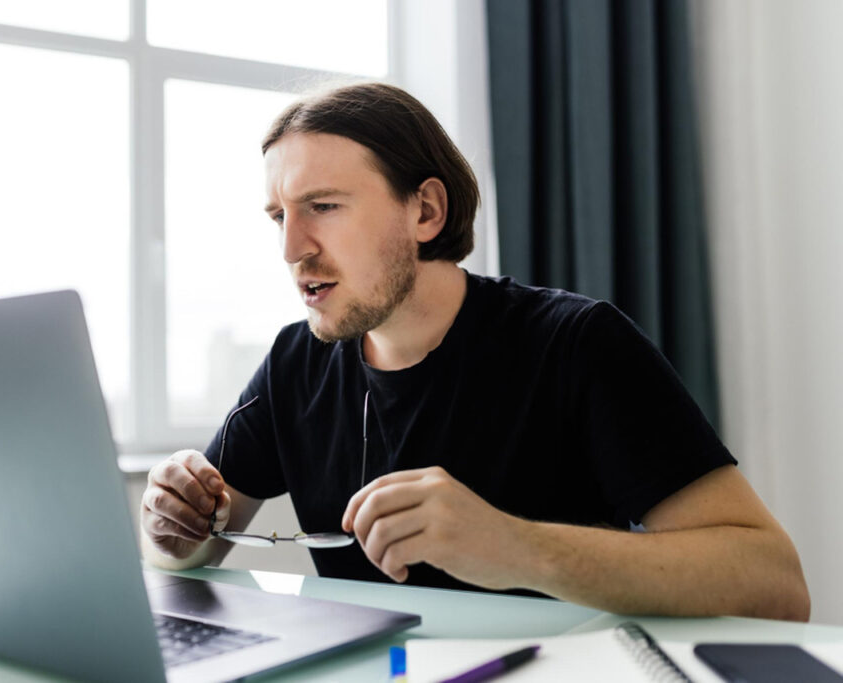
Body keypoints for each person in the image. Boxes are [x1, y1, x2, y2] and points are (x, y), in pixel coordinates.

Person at [140, 82, 810, 621]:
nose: (292, 249)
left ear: (425, 210)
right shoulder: (295, 362)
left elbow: (774, 582)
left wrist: (516, 548)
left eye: (323, 205)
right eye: (279, 216)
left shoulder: (576, 342)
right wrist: (172, 527)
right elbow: (191, 544)